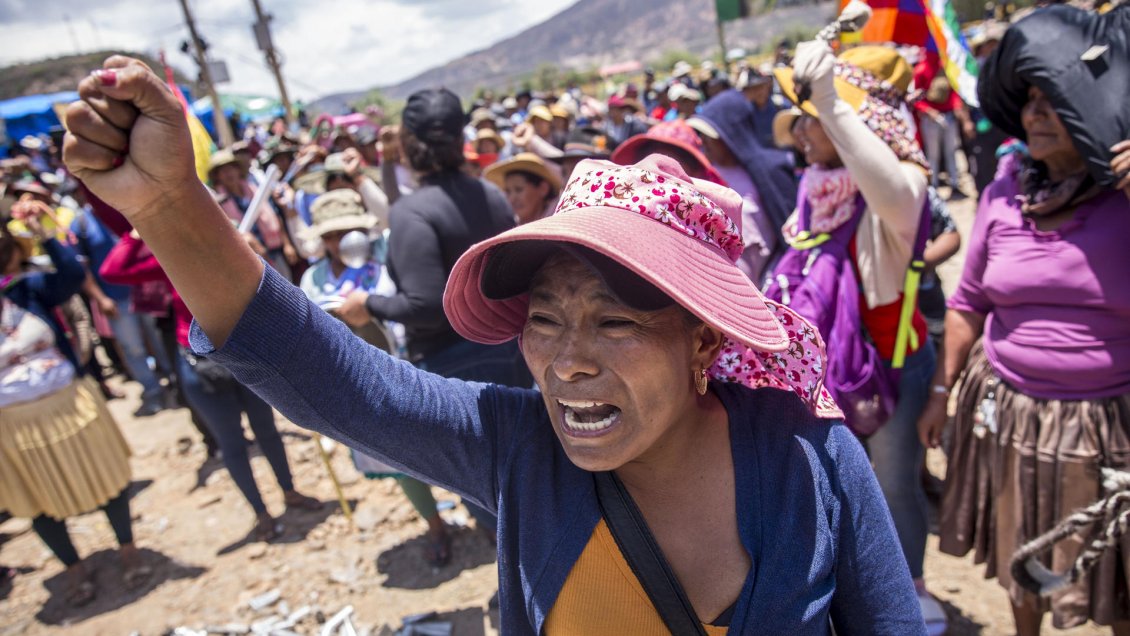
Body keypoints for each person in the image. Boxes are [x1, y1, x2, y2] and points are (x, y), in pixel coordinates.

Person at [63, 56, 926, 635]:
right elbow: (334, 379)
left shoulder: (814, 461)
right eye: (544, 318)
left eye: (615, 321)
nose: (566, 359)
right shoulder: (518, 450)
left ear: (703, 343)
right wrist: (169, 207)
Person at [920, 6, 1130, 633]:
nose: (1036, 112)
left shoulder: (1123, 197)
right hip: (1011, 415)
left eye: (1056, 99)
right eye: (1030, 98)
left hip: (1110, 425)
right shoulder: (1004, 191)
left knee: (1120, 574)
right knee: (1023, 556)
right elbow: (969, 303)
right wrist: (940, 392)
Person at [772, 43, 943, 632]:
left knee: (895, 489)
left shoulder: (899, 190)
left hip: (892, 369)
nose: (800, 130)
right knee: (841, 488)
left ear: (853, 122)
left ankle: (911, 592)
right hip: (830, 375)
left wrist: (834, 105)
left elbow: (892, 191)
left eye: (812, 116)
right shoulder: (814, 193)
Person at [100, 228, 321, 541]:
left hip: (245, 353)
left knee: (267, 430)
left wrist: (254, 250)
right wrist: (136, 236)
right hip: (199, 366)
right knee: (231, 443)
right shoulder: (170, 262)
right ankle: (260, 512)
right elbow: (112, 272)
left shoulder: (228, 250)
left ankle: (290, 491)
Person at [297, 189, 455, 566]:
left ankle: (479, 511)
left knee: (446, 442)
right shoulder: (313, 279)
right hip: (355, 380)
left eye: (349, 231)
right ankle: (434, 524)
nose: (341, 241)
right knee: (396, 455)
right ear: (322, 240)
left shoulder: (387, 260)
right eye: (333, 235)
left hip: (408, 365)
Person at [0, 204, 146, 606]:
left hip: (69, 405)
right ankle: (74, 569)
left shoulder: (28, 288)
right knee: (39, 499)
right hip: (12, 425)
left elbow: (71, 276)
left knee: (109, 479)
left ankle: (128, 549)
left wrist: (43, 232)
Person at [689, 90, 799, 284]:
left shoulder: (770, 170)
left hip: (772, 282)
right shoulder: (705, 174)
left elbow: (790, 227)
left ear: (731, 133)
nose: (702, 141)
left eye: (708, 134)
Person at [484, 153, 562, 225]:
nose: (512, 199)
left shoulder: (558, 223)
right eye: (508, 191)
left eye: (519, 190)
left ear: (543, 189)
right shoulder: (508, 226)